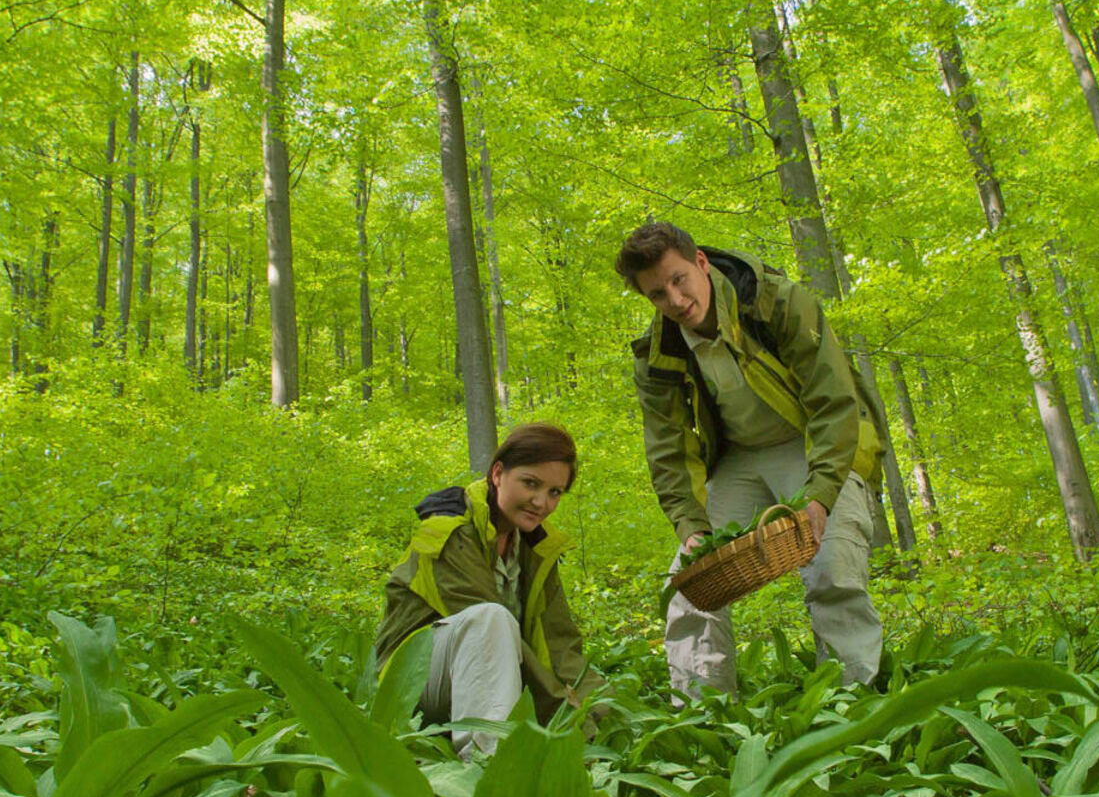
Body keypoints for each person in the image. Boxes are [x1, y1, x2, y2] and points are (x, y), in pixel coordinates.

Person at [618, 221, 889, 699]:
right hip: (740, 459)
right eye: (658, 294)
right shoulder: (658, 355)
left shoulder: (778, 301)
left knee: (831, 568)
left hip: (815, 441)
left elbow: (833, 402)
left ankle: (854, 701)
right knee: (690, 581)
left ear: (700, 261)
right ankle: (705, 711)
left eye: (679, 279)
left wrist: (822, 495)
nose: (676, 300)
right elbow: (667, 448)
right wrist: (690, 524)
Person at [374, 423, 601, 759]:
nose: (541, 502)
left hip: (479, 682)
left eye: (555, 492)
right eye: (530, 483)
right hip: (409, 683)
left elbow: (561, 643)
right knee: (491, 621)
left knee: (592, 695)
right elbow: (495, 641)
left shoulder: (535, 545)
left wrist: (604, 710)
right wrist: (575, 721)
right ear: (498, 473)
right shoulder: (450, 531)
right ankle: (489, 762)